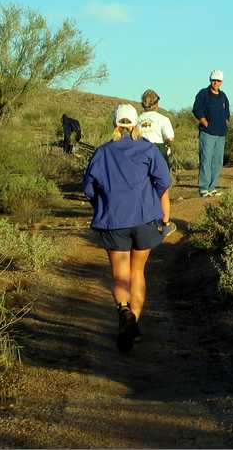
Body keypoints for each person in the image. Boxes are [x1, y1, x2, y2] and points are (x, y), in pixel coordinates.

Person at [83, 104, 175, 353]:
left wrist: (103, 203)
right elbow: (164, 181)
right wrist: (152, 201)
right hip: (144, 219)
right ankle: (133, 325)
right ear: (135, 124)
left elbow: (89, 188)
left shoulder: (102, 152)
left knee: (120, 275)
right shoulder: (146, 148)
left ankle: (123, 311)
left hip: (114, 221)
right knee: (138, 273)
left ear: (115, 124)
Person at [192, 69, 230, 197]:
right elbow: (196, 109)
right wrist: (204, 122)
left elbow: (227, 113)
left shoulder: (223, 96)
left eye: (218, 80)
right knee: (206, 159)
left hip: (221, 133)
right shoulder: (203, 94)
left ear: (222, 82)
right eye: (213, 80)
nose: (215, 82)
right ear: (210, 80)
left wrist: (225, 123)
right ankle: (203, 188)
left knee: (217, 161)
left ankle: (212, 187)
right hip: (207, 133)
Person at [137, 89, 175, 170]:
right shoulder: (163, 119)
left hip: (140, 152)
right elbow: (170, 139)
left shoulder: (137, 120)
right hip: (158, 152)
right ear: (157, 104)